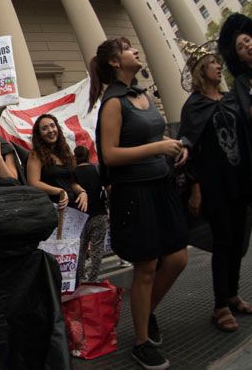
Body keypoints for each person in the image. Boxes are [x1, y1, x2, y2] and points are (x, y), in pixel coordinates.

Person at [89, 37, 187, 370]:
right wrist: (158, 149)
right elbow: (111, 154)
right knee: (146, 268)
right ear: (115, 62)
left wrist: (171, 145)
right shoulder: (113, 102)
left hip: (162, 186)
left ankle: (146, 313)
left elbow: (151, 137)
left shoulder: (142, 94)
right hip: (136, 193)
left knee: (177, 258)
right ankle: (142, 341)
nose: (136, 51)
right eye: (128, 49)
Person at [184, 40, 252, 330]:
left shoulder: (232, 99)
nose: (218, 66)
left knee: (238, 242)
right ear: (202, 70)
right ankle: (220, 305)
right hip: (215, 185)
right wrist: (195, 187)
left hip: (241, 181)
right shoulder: (194, 106)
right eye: (213, 63)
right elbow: (189, 150)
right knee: (223, 243)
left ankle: (233, 294)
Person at [27, 114, 88, 213]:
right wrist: (60, 191)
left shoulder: (65, 153)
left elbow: (71, 182)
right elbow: (33, 183)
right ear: (39, 134)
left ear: (57, 128)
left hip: (72, 210)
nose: (50, 130)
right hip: (51, 210)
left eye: (52, 126)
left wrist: (82, 192)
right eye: (44, 128)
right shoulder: (36, 154)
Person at [73, 145, 107, 284]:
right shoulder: (97, 170)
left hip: (80, 216)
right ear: (88, 156)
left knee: (81, 248)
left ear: (75, 157)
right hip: (99, 214)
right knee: (97, 249)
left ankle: (80, 277)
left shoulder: (73, 173)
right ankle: (94, 279)